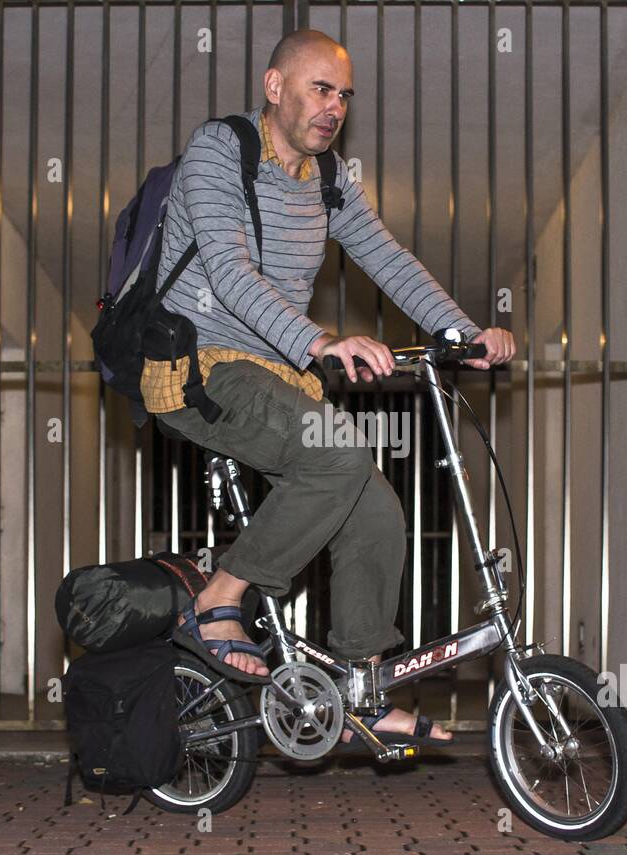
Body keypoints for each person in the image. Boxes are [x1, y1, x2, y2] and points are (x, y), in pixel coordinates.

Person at [149, 29, 516, 745]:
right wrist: (319, 340)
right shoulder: (219, 151)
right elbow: (229, 272)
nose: (334, 106)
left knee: (375, 506)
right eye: (321, 88)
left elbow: (387, 257)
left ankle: (361, 688)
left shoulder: (329, 179)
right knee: (339, 454)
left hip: (275, 374)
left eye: (344, 95)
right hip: (198, 364)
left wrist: (462, 332)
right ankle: (220, 598)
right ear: (274, 86)